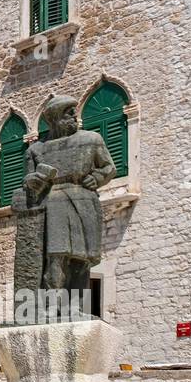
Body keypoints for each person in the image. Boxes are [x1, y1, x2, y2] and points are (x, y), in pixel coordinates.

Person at [23, 95, 115, 319]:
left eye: (75, 111)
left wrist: (96, 177)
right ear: (55, 119)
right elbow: (26, 182)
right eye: (69, 112)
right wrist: (35, 179)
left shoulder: (92, 139)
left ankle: (75, 306)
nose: (75, 116)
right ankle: (52, 304)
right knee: (56, 255)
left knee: (81, 259)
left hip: (84, 199)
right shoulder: (36, 150)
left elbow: (109, 167)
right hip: (53, 201)